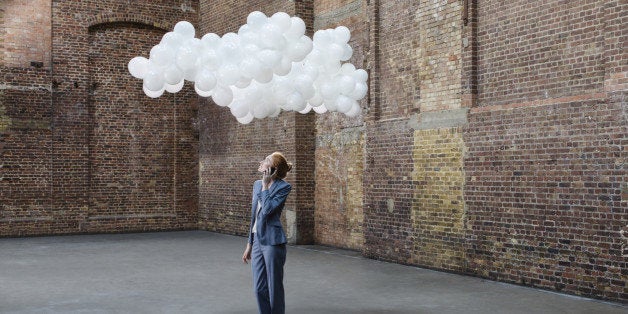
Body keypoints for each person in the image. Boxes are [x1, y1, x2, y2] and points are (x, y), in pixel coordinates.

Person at [242, 152, 293, 314]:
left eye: (265, 161)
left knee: (274, 287)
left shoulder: (283, 187)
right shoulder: (256, 184)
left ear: (272, 168)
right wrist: (249, 244)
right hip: (257, 240)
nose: (261, 162)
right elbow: (254, 216)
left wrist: (265, 186)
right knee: (259, 288)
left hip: (273, 241)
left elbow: (269, 210)